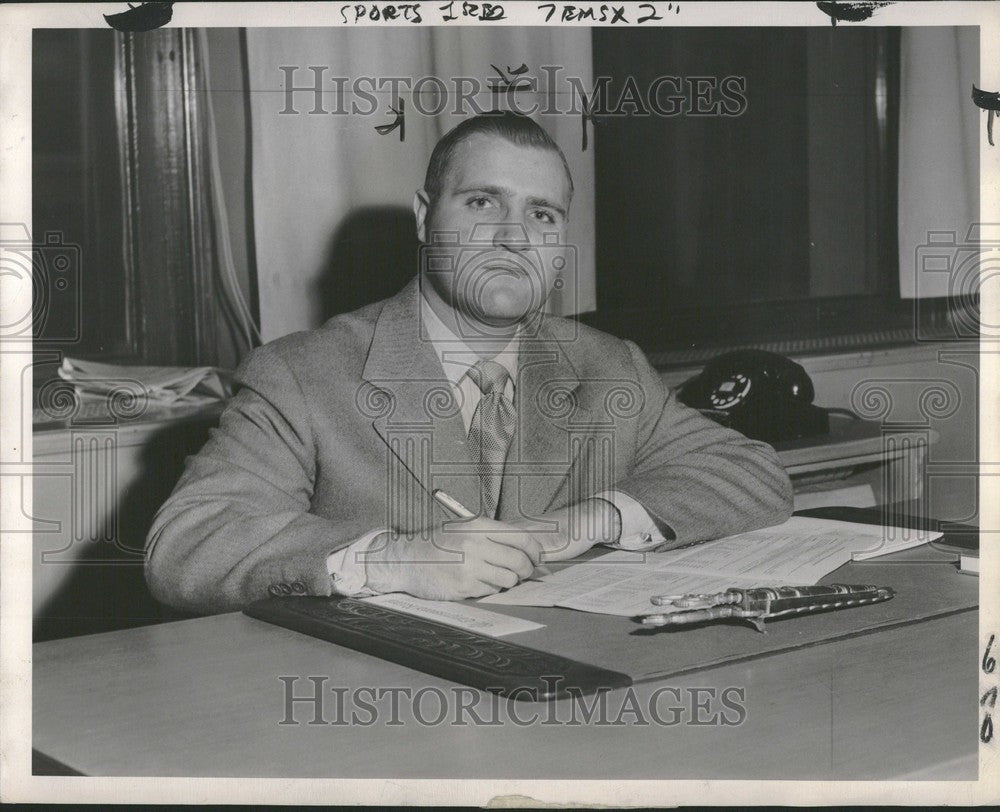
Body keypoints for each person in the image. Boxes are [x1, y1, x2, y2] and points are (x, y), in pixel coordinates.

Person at [145, 112, 793, 614]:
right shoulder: (303, 374)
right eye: (483, 203)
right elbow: (187, 544)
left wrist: (592, 519)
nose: (514, 237)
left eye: (541, 214)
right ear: (427, 218)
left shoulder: (606, 366)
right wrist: (392, 561)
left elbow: (752, 473)